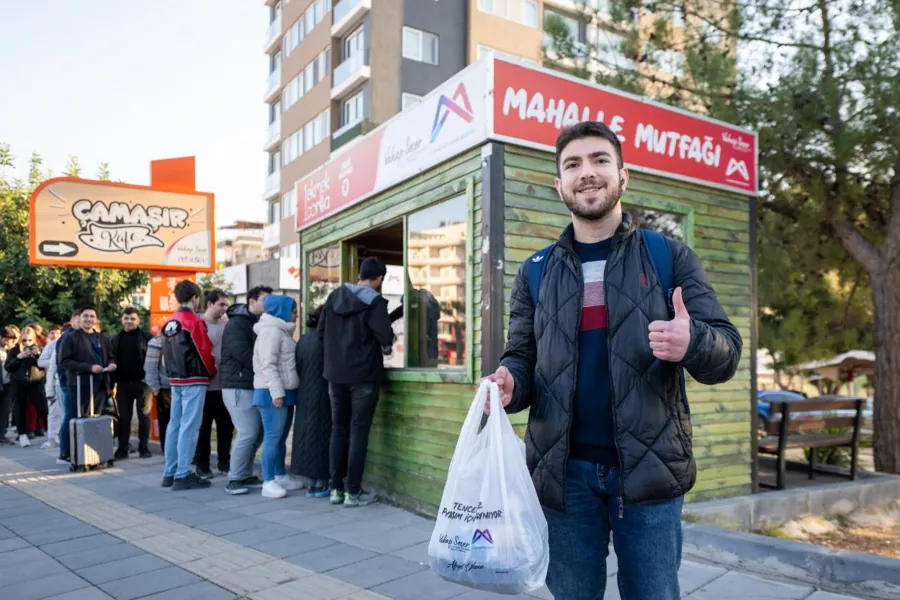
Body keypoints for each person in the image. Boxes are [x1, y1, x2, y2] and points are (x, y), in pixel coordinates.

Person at [484, 121, 743, 600]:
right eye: (573, 164)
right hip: (563, 478)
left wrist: (693, 343)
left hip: (648, 475)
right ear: (558, 184)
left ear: (623, 175)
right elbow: (521, 357)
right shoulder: (536, 271)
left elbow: (726, 352)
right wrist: (509, 384)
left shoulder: (668, 256)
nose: (587, 172)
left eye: (599, 159)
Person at [318, 257, 394, 507]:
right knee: (358, 431)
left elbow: (320, 333)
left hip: (335, 375)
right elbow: (384, 336)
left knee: (338, 429)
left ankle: (335, 489)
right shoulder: (375, 303)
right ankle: (353, 492)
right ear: (379, 279)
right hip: (363, 376)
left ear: (360, 274)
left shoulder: (334, 297)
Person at [160, 280, 217, 491]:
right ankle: (183, 473)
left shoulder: (169, 322)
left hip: (175, 379)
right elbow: (204, 351)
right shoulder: (194, 321)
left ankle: (170, 471)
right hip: (194, 377)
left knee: (174, 424)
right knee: (190, 426)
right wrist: (211, 372)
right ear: (195, 298)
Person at [220, 286, 271, 495]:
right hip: (237, 385)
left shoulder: (256, 322)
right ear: (251, 301)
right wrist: (265, 368)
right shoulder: (237, 323)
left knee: (257, 433)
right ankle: (234, 478)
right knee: (248, 431)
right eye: (264, 300)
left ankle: (245, 473)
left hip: (251, 384)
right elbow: (242, 353)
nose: (268, 305)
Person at [253, 295, 302, 499]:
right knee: (272, 438)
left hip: (284, 391)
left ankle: (279, 475)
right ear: (282, 311)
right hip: (272, 393)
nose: (296, 316)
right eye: (293, 312)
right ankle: (268, 481)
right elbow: (268, 364)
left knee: (280, 438)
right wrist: (277, 393)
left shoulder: (281, 331)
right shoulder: (271, 332)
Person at [58, 306, 116, 464]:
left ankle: (94, 453)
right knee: (76, 418)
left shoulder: (102, 338)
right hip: (79, 385)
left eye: (92, 316)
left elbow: (110, 356)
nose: (89, 319)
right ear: (80, 318)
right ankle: (70, 453)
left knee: (96, 419)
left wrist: (111, 364)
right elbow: (64, 361)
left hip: (100, 385)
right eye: (85, 316)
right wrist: (88, 367)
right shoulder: (70, 338)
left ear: (96, 319)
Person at [290, 305, 330, 497]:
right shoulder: (327, 340)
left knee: (307, 435)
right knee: (323, 435)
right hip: (324, 392)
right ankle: (321, 482)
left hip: (305, 392)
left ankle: (312, 484)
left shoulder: (304, 339)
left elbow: (297, 367)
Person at [194, 289, 234, 479]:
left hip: (224, 385)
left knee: (226, 427)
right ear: (210, 304)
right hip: (203, 386)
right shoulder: (198, 323)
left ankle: (224, 462)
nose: (224, 308)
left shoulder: (227, 325)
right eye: (221, 304)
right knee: (203, 428)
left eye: (226, 304)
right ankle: (202, 465)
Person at [110, 307, 154, 459]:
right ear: (122, 320)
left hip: (143, 383)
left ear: (138, 320)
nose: (129, 321)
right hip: (122, 384)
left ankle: (144, 448)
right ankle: (122, 449)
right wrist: (112, 383)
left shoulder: (147, 338)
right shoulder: (115, 339)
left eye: (133, 319)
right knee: (123, 417)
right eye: (126, 318)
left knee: (144, 416)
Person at [4, 326, 47, 447]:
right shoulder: (15, 351)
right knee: (20, 408)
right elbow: (8, 367)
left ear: (34, 339)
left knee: (42, 407)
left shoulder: (39, 349)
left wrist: (37, 355)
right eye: (24, 340)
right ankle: (22, 434)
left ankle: (50, 433)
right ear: (20, 339)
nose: (27, 343)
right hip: (19, 382)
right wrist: (19, 358)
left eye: (30, 340)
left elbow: (44, 365)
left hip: (35, 382)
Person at [37, 324, 64, 449]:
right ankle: (52, 439)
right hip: (53, 382)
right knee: (53, 412)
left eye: (58, 332)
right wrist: (56, 362)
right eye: (53, 332)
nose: (56, 335)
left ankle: (64, 438)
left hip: (67, 383)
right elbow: (40, 362)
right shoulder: (52, 345)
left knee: (65, 413)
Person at [0, 325, 20, 445]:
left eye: (10, 340)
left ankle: (2, 434)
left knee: (5, 410)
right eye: (6, 339)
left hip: (7, 384)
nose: (7, 342)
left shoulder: (9, 351)